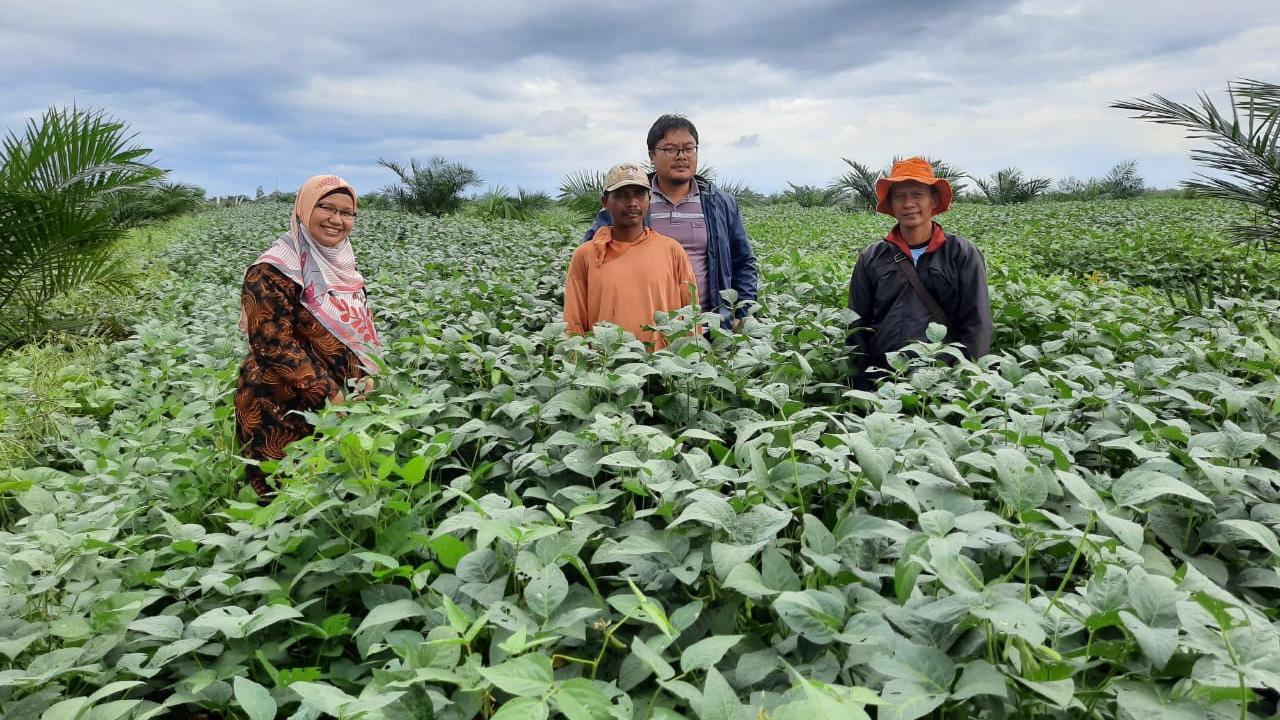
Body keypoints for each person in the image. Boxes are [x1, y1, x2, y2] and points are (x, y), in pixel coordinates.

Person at [235, 175, 382, 498]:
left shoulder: (344, 266)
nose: (336, 219)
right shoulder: (271, 270)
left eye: (346, 212)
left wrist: (364, 374)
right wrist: (331, 394)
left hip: (339, 403)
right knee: (284, 500)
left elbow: (355, 329)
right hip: (279, 407)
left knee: (332, 499)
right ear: (303, 210)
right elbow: (272, 345)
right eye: (325, 207)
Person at [584, 114, 757, 329]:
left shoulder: (720, 203)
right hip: (646, 328)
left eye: (688, 148)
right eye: (670, 149)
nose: (681, 156)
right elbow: (593, 256)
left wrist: (741, 314)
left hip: (710, 328)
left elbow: (744, 262)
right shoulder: (629, 200)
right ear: (651, 155)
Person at [847, 157, 991, 386]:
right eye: (900, 196)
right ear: (892, 205)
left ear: (933, 200)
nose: (908, 203)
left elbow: (977, 324)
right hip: (884, 379)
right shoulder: (872, 257)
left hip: (943, 380)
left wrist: (967, 381)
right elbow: (857, 325)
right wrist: (862, 383)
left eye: (917, 195)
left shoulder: (961, 253)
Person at [564, 162, 697, 350]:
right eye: (621, 195)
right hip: (607, 369)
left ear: (649, 200)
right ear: (605, 202)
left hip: (662, 368)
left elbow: (691, 315)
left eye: (640, 194)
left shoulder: (672, 250)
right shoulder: (586, 255)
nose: (632, 203)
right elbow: (573, 322)